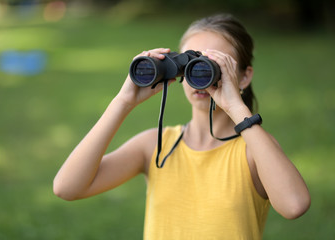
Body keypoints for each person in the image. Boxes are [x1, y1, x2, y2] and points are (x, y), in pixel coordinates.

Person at [53, 13, 311, 239]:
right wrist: (123, 101)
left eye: (214, 64)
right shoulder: (154, 145)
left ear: (244, 76)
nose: (199, 76)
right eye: (191, 64)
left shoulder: (253, 150)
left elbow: (295, 205)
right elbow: (67, 188)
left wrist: (236, 108)